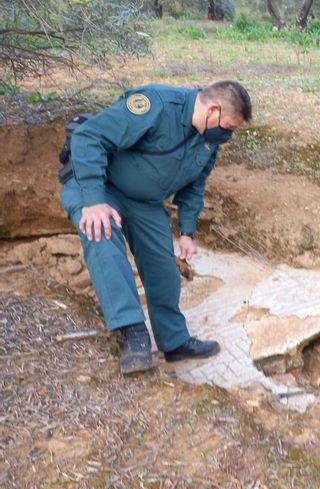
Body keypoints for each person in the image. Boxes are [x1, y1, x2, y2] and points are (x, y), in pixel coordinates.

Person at [60, 80, 252, 374]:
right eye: (227, 126)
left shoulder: (209, 140)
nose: (227, 134)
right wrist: (94, 200)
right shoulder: (155, 105)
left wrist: (187, 231)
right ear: (212, 110)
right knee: (102, 235)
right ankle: (132, 332)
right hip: (100, 187)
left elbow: (195, 185)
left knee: (163, 268)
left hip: (144, 201)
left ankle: (174, 342)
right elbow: (88, 136)